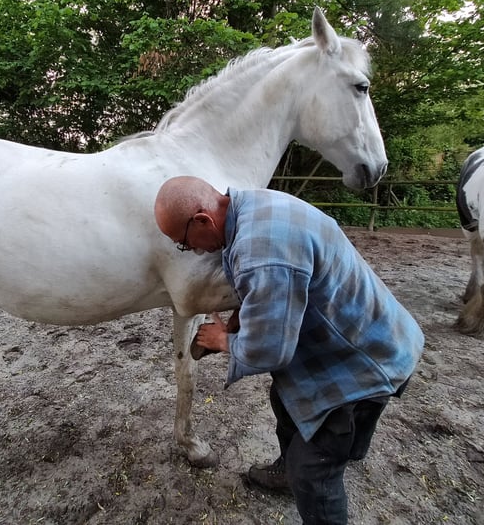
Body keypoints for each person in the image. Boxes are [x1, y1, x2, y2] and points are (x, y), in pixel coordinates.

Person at [154, 176, 424, 525]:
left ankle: (320, 465)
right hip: (368, 331)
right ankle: (329, 455)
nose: (192, 251)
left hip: (360, 360)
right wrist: (239, 321)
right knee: (285, 398)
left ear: (203, 220)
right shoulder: (250, 206)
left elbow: (270, 350)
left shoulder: (259, 251)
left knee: (313, 474)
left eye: (184, 244)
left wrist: (222, 340)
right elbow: (267, 290)